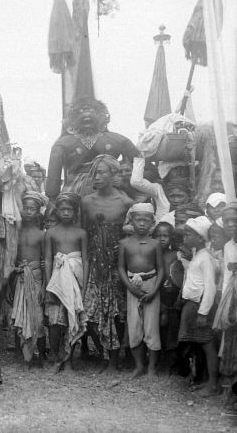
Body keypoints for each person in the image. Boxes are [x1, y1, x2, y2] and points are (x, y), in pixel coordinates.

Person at [81, 155, 134, 372]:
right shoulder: (86, 202)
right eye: (95, 172)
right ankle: (103, 353)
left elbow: (131, 235)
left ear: (113, 175)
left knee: (115, 313)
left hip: (116, 265)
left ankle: (114, 360)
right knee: (89, 312)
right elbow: (83, 233)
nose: (98, 177)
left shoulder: (125, 202)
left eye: (102, 172)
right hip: (94, 263)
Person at [45, 99, 139, 200]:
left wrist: (125, 182)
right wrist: (52, 197)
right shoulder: (63, 144)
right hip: (74, 193)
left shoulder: (118, 140)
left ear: (101, 116)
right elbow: (53, 177)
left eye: (92, 111)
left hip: (110, 188)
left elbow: (140, 163)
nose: (87, 115)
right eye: (81, 112)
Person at [117, 203, 164, 378]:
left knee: (151, 327)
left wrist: (154, 291)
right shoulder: (124, 243)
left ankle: (152, 367)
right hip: (132, 287)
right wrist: (131, 288)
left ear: (152, 222)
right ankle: (139, 366)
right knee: (134, 325)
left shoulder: (155, 244)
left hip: (151, 285)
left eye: (146, 220)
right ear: (131, 220)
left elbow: (161, 269)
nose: (142, 224)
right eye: (138, 219)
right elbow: (121, 268)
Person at [44, 193, 88, 371]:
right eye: (62, 209)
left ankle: (69, 358)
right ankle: (55, 356)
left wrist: (84, 286)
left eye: (70, 209)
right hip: (57, 277)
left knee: (72, 318)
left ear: (75, 212)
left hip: (75, 277)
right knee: (55, 321)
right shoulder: (51, 233)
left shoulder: (81, 233)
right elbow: (47, 259)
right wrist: (49, 286)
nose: (66, 212)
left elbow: (85, 259)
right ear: (57, 211)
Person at [179, 216, 219, 397]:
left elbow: (210, 287)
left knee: (208, 346)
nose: (185, 237)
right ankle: (204, 380)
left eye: (189, 234)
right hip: (193, 305)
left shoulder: (206, 259)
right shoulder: (198, 255)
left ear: (201, 238)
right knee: (198, 345)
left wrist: (203, 313)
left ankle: (213, 384)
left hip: (201, 306)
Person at [10, 191, 46, 367]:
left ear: (39, 211)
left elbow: (45, 260)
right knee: (18, 314)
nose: (29, 212)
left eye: (33, 208)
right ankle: (19, 352)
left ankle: (41, 355)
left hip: (36, 276)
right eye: (26, 207)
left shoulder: (42, 234)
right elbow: (10, 256)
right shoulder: (14, 232)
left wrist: (45, 284)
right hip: (19, 276)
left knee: (37, 317)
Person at [215, 202, 237, 406]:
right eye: (227, 221)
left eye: (235, 220)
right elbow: (226, 277)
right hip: (232, 301)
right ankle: (228, 390)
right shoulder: (228, 246)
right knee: (229, 344)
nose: (231, 224)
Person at [154, 221, 181, 371]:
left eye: (165, 236)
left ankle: (171, 360)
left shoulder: (175, 255)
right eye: (158, 236)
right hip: (156, 294)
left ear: (171, 238)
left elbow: (179, 276)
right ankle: (157, 357)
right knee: (158, 325)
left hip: (171, 296)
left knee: (171, 326)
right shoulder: (151, 253)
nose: (162, 239)